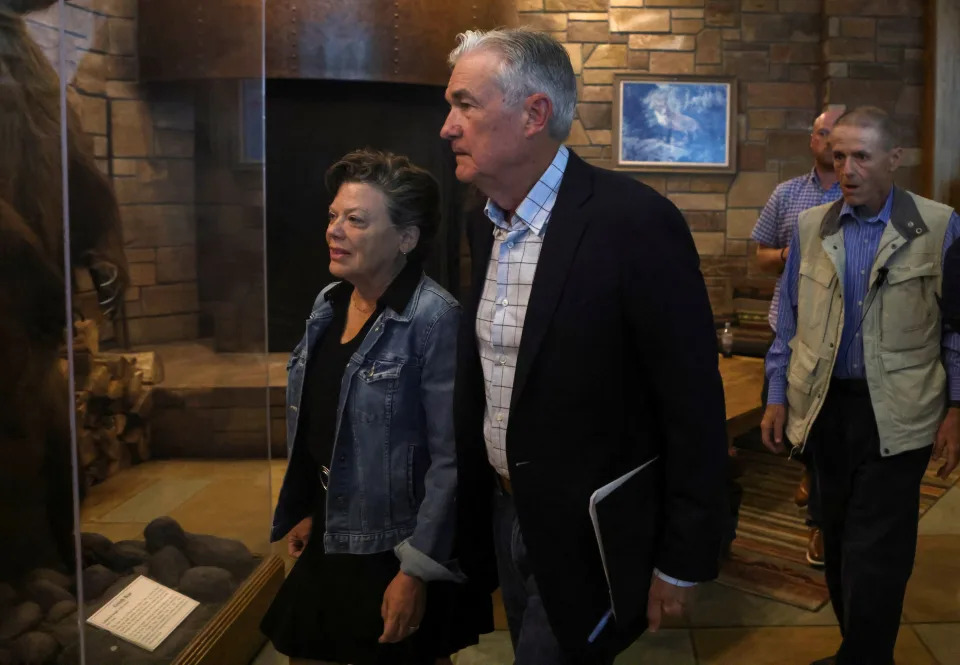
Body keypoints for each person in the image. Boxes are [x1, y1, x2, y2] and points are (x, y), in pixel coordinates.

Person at [442, 28, 729, 664]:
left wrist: (683, 560)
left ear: (533, 114)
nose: (447, 127)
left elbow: (692, 405)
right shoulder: (480, 223)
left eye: (465, 105)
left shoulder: (635, 223)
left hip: (592, 529)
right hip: (505, 515)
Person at [261, 149, 490, 665]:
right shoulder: (329, 302)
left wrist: (415, 572)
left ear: (406, 239)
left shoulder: (435, 320)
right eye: (333, 216)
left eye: (356, 220)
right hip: (330, 529)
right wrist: (304, 505)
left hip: (392, 550)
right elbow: (320, 421)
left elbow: (451, 461)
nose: (334, 230)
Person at [761, 106, 960, 665]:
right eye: (839, 155)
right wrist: (777, 395)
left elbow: (957, 328)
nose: (846, 168)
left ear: (894, 160)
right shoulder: (809, 227)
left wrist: (957, 408)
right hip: (825, 408)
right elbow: (790, 321)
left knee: (878, 546)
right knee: (841, 534)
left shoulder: (939, 226)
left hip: (901, 410)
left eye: (862, 157)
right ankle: (862, 651)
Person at [751, 107, 845, 567]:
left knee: (826, 416)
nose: (829, 144)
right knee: (796, 407)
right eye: (823, 135)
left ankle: (817, 499)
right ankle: (807, 463)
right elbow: (761, 255)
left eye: (837, 136)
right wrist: (791, 252)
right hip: (789, 320)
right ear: (812, 140)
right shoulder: (787, 194)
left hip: (839, 326)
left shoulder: (857, 195)